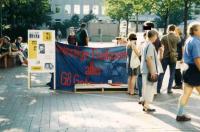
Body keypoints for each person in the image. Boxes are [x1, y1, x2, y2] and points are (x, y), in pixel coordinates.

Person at [176, 22, 200, 122]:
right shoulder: (196, 41)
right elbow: (197, 59)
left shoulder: (189, 40)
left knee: (186, 93)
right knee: (187, 93)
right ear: (194, 31)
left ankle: (179, 114)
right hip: (195, 70)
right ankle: (180, 114)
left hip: (187, 69)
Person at [140, 30, 163, 112]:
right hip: (149, 70)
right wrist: (152, 71)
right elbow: (149, 59)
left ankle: (144, 103)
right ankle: (146, 104)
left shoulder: (145, 44)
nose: (157, 38)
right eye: (156, 36)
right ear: (153, 36)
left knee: (146, 87)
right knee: (149, 88)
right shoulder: (150, 45)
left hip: (145, 69)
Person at [157, 24, 180, 94]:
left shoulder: (164, 37)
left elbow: (160, 47)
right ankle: (169, 89)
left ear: (168, 29)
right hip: (173, 57)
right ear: (174, 29)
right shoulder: (177, 37)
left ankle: (158, 89)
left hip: (165, 57)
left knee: (161, 73)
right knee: (172, 73)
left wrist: (160, 56)